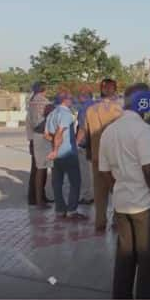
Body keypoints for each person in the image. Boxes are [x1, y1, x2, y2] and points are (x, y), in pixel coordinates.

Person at [99, 83, 150, 300]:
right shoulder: (143, 130)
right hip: (145, 205)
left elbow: (105, 172)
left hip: (122, 204)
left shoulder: (109, 131)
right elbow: (149, 168)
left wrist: (118, 189)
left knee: (125, 258)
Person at [81, 78, 123, 232]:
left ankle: (100, 222)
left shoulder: (90, 110)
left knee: (99, 192)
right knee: (117, 189)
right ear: (114, 90)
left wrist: (90, 154)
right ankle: (117, 220)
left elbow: (87, 134)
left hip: (97, 157)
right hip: (114, 157)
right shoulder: (118, 110)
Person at [46, 91, 86, 220]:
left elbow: (46, 135)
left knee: (57, 182)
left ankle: (60, 209)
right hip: (67, 152)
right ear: (65, 100)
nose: (72, 100)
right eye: (70, 98)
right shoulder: (66, 114)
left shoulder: (52, 113)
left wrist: (54, 149)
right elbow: (60, 132)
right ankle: (71, 210)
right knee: (75, 182)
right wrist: (57, 149)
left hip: (56, 154)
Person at [27, 82, 53, 208]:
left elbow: (29, 123)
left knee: (36, 168)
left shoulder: (31, 102)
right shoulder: (46, 103)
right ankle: (39, 199)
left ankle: (35, 197)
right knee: (42, 169)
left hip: (34, 137)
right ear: (44, 89)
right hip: (44, 137)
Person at [75, 88, 95, 205]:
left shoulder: (84, 108)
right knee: (94, 171)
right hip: (96, 142)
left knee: (86, 171)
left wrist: (77, 142)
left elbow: (82, 127)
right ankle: (95, 193)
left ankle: (88, 196)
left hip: (85, 144)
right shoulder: (97, 106)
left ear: (83, 96)